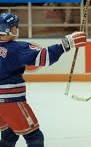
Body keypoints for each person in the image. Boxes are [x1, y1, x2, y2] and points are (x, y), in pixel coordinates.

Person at [0, 12, 86, 147]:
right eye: (15, 26)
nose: (17, 29)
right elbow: (44, 57)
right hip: (11, 101)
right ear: (9, 30)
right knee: (34, 136)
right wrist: (66, 44)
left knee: (9, 133)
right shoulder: (17, 48)